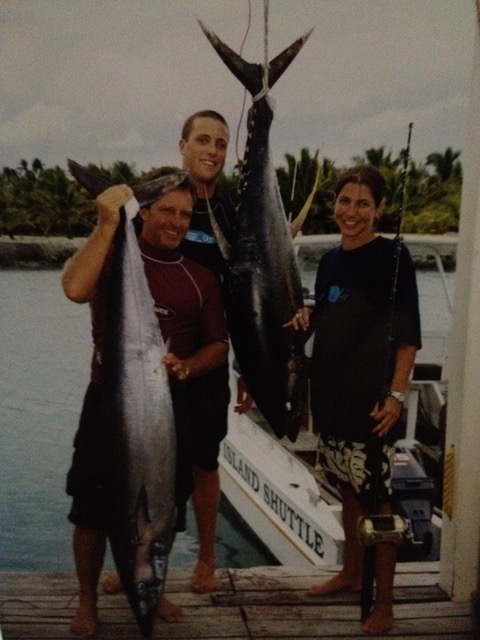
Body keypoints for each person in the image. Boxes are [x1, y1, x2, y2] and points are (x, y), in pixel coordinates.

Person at [63, 167, 229, 637]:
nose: (176, 221)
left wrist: (188, 366)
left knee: (164, 506)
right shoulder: (113, 253)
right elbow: (75, 289)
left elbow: (218, 346)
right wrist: (106, 224)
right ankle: (88, 601)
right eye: (166, 211)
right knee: (91, 512)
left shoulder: (200, 277)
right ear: (146, 213)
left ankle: (155, 586)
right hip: (109, 406)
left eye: (185, 213)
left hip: (164, 413)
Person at [287, 165, 421, 635]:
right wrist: (306, 314)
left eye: (364, 203)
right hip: (331, 403)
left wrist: (396, 395)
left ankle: (384, 602)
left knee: (380, 505)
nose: (352, 212)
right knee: (347, 490)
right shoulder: (328, 262)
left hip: (372, 407)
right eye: (345, 201)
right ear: (335, 205)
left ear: (380, 208)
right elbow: (326, 315)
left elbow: (408, 340)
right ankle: (350, 572)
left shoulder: (394, 257)